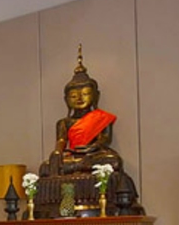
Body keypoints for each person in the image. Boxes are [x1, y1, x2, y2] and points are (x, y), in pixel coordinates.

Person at [43, 45, 124, 177]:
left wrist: (93, 147)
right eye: (74, 96)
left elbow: (105, 139)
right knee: (46, 167)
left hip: (94, 154)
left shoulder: (101, 118)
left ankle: (76, 167)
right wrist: (57, 152)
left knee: (113, 161)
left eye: (85, 94)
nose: (79, 99)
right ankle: (79, 166)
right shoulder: (64, 122)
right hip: (73, 155)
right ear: (66, 99)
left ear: (95, 96)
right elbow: (61, 140)